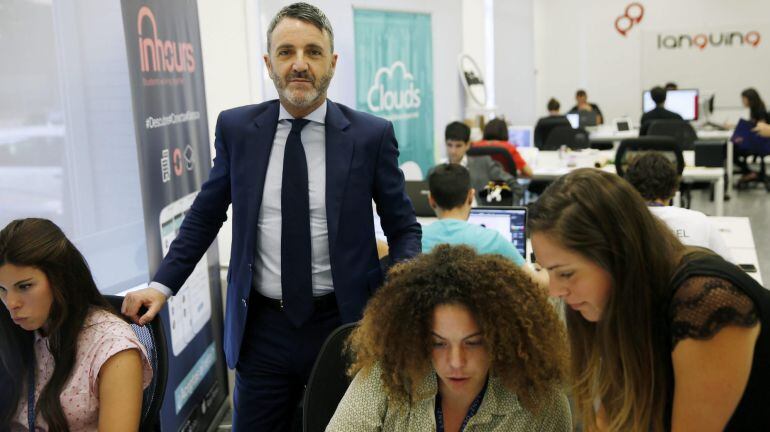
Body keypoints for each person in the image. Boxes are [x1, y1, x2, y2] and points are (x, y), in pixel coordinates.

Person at [120, 3, 422, 430]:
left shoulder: (371, 136)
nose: (300, 64)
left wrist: (406, 288)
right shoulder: (238, 129)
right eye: (286, 52)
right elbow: (206, 214)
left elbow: (402, 225)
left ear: (332, 63)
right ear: (268, 62)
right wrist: (161, 284)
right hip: (262, 328)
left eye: (313, 52)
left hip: (346, 323)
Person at [529, 168, 770, 431]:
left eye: (565, 273)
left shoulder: (708, 302)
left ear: (617, 255)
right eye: (547, 271)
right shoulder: (617, 299)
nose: (555, 290)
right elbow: (610, 416)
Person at [326, 245, 571, 431]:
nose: (456, 362)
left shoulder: (540, 401)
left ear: (502, 338)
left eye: (473, 342)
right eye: (438, 343)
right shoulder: (386, 377)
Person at [0, 218, 152, 431]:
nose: (11, 303)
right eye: (2, 289)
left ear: (60, 280)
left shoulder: (113, 346)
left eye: (24, 286)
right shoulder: (12, 331)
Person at [624, 152, 733, 262]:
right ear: (674, 189)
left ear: (629, 187)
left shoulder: (619, 223)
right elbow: (731, 270)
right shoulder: (699, 221)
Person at [422, 163, 525, 266]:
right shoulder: (493, 241)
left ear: (431, 200)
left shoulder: (414, 240)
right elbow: (532, 280)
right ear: (471, 196)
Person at [444, 121, 524, 204]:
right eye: (449, 145)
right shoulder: (438, 172)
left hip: (479, 213)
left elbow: (516, 187)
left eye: (458, 146)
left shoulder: (484, 164)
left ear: (467, 145)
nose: (453, 151)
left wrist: (509, 209)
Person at [736, 88, 769, 184]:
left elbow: (760, 128)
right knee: (732, 146)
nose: (742, 101)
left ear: (750, 99)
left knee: (730, 150)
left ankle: (749, 172)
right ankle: (748, 172)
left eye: (743, 99)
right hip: (757, 141)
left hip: (760, 144)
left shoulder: (760, 111)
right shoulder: (754, 110)